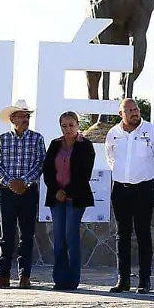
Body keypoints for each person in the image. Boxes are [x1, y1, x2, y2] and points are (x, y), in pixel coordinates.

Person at [0, 99, 46, 289]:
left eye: (27, 116)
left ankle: (24, 276)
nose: (25, 119)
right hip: (6, 192)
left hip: (28, 192)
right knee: (6, 235)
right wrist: (10, 182)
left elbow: (40, 164)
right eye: (21, 116)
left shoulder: (37, 139)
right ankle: (3, 275)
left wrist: (25, 182)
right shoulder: (1, 139)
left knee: (27, 234)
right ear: (12, 119)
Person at [104, 98, 154, 294]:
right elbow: (111, 159)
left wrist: (146, 178)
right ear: (121, 114)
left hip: (144, 189)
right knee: (122, 234)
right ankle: (123, 279)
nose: (134, 113)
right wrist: (123, 176)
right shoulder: (113, 133)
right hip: (120, 189)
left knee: (143, 234)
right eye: (129, 110)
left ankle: (144, 281)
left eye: (136, 109)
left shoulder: (152, 131)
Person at [42, 111, 96, 291]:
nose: (68, 129)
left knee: (71, 236)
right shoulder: (55, 145)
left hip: (76, 197)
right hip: (56, 198)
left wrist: (67, 192)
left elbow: (84, 174)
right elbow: (48, 170)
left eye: (71, 125)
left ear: (78, 124)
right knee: (59, 238)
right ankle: (59, 279)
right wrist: (57, 191)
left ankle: (73, 279)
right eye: (64, 126)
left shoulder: (86, 145)